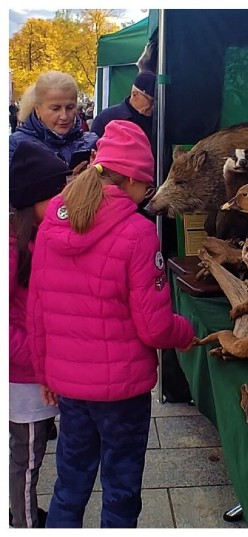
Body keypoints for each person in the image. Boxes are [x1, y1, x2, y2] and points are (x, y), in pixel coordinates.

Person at [27, 120, 196, 528]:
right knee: (120, 489)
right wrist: (186, 333)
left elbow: (37, 307)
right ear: (136, 179)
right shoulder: (139, 233)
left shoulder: (53, 221)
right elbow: (154, 327)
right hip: (121, 391)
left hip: (70, 386)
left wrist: (44, 370)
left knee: (69, 484)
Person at [8, 141, 71, 528]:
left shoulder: (38, 238)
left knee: (31, 452)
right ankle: (24, 522)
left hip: (40, 369)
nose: (64, 199)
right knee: (27, 457)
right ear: (33, 200)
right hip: (25, 376)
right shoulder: (13, 248)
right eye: (56, 193)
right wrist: (37, 357)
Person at [10, 71, 98, 165]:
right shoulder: (16, 146)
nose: (64, 116)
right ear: (37, 109)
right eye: (55, 109)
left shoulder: (92, 143)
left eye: (70, 108)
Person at [90, 71, 155, 142]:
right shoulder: (107, 118)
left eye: (156, 102)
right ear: (135, 94)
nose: (153, 106)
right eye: (151, 101)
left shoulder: (157, 122)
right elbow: (92, 149)